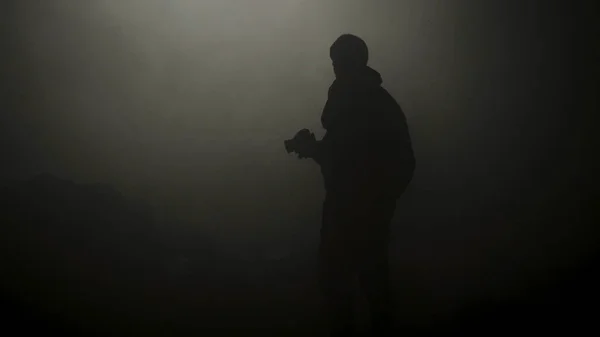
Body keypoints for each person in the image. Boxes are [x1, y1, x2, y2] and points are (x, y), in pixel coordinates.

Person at [286, 34, 415, 336]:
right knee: (357, 287)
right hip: (353, 212)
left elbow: (362, 161)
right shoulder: (370, 103)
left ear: (352, 63)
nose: (335, 69)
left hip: (358, 214)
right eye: (334, 63)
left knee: (357, 288)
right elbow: (341, 158)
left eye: (339, 62)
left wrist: (378, 201)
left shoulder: (364, 104)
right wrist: (314, 150)